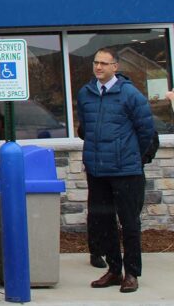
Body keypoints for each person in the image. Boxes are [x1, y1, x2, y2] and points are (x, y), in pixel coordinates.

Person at [76, 47, 156, 294]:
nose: (98, 67)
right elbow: (85, 129)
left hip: (126, 171)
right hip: (98, 171)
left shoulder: (130, 94)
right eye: (95, 62)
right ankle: (113, 270)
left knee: (129, 222)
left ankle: (131, 273)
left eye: (104, 63)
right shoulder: (85, 94)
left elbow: (147, 132)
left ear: (115, 67)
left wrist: (133, 157)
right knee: (104, 221)